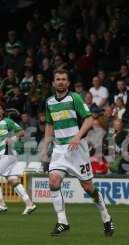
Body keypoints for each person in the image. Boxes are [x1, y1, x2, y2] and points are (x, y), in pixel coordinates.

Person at [43, 69, 114, 236]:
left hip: (77, 149)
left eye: (63, 79)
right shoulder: (49, 102)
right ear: (54, 83)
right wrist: (45, 149)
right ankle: (62, 222)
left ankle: (106, 218)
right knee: (53, 182)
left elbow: (89, 119)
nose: (60, 82)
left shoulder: (74, 98)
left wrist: (77, 136)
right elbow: (49, 125)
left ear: (68, 83)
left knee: (88, 187)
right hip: (59, 149)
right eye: (58, 79)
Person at [0, 101, 36, 215]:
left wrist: (13, 138)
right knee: (12, 180)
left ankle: (1, 204)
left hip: (7, 152)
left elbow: (22, 132)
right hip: (8, 154)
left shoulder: (7, 121)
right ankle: (29, 204)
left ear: (3, 111)